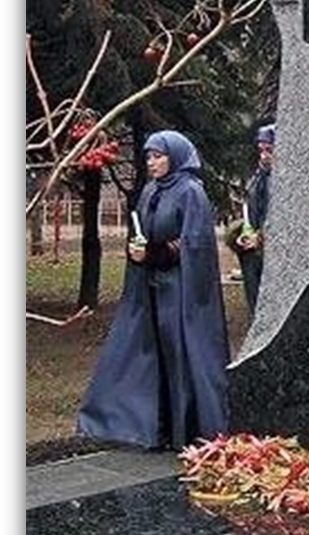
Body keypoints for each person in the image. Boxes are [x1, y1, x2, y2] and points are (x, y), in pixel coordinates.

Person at [77, 130, 230, 450]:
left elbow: (195, 245)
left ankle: (187, 429)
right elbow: (144, 233)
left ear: (174, 157)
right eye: (148, 156)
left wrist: (155, 253)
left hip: (182, 292)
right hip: (152, 289)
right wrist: (138, 248)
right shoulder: (150, 191)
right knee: (151, 357)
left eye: (158, 156)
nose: (151, 162)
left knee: (180, 355)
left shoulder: (191, 192)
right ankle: (155, 427)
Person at [234, 123, 274, 316]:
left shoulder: (286, 179)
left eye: (270, 150)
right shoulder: (258, 178)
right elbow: (250, 210)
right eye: (261, 150)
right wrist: (245, 233)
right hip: (255, 253)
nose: (264, 156)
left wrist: (262, 237)